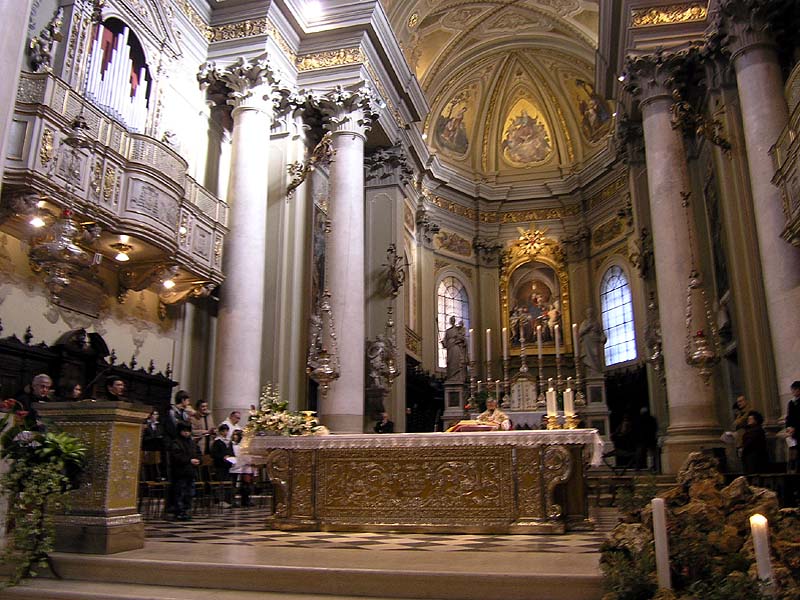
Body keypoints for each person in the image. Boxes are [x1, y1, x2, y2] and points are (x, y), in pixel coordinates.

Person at [169, 422, 200, 521]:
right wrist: (189, 460)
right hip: (180, 472)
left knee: (189, 493)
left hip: (191, 472)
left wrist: (199, 460)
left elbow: (197, 453)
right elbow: (176, 457)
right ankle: (179, 511)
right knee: (180, 492)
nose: (186, 433)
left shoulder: (192, 443)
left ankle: (186, 511)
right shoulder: (176, 443)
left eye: (188, 431)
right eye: (184, 431)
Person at [579, 307, 607, 378]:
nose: (590, 314)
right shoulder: (584, 323)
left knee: (596, 355)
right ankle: (591, 372)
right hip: (587, 342)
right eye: (588, 313)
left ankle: (597, 371)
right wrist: (588, 327)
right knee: (589, 358)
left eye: (591, 313)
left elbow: (601, 333)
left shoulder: (596, 323)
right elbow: (580, 332)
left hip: (595, 342)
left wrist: (603, 338)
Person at [230, 429, 253, 507]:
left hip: (245, 466)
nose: (235, 437)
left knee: (246, 484)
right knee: (233, 484)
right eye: (234, 435)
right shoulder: (232, 445)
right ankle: (232, 501)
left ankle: (245, 500)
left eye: (236, 435)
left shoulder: (245, 446)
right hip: (235, 466)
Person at [742, 410, 769, 474]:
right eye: (748, 419)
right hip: (749, 455)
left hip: (755, 456)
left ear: (756, 420)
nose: (748, 420)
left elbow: (751, 442)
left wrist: (743, 448)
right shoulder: (749, 430)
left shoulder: (757, 430)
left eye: (751, 419)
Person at [441, 316, 467, 383]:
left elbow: (462, 339)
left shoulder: (458, 329)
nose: (452, 321)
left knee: (456, 361)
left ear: (454, 321)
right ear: (450, 322)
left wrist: (459, 340)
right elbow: (445, 340)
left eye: (453, 320)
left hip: (455, 347)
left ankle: (457, 377)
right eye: (451, 320)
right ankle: (451, 377)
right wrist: (443, 343)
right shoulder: (447, 331)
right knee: (450, 361)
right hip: (450, 348)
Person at [786, 381, 800, 473]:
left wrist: (795, 428)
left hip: (798, 431)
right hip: (793, 433)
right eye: (793, 390)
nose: (793, 391)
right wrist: (788, 427)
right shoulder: (791, 403)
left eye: (795, 389)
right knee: (793, 455)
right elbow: (789, 417)